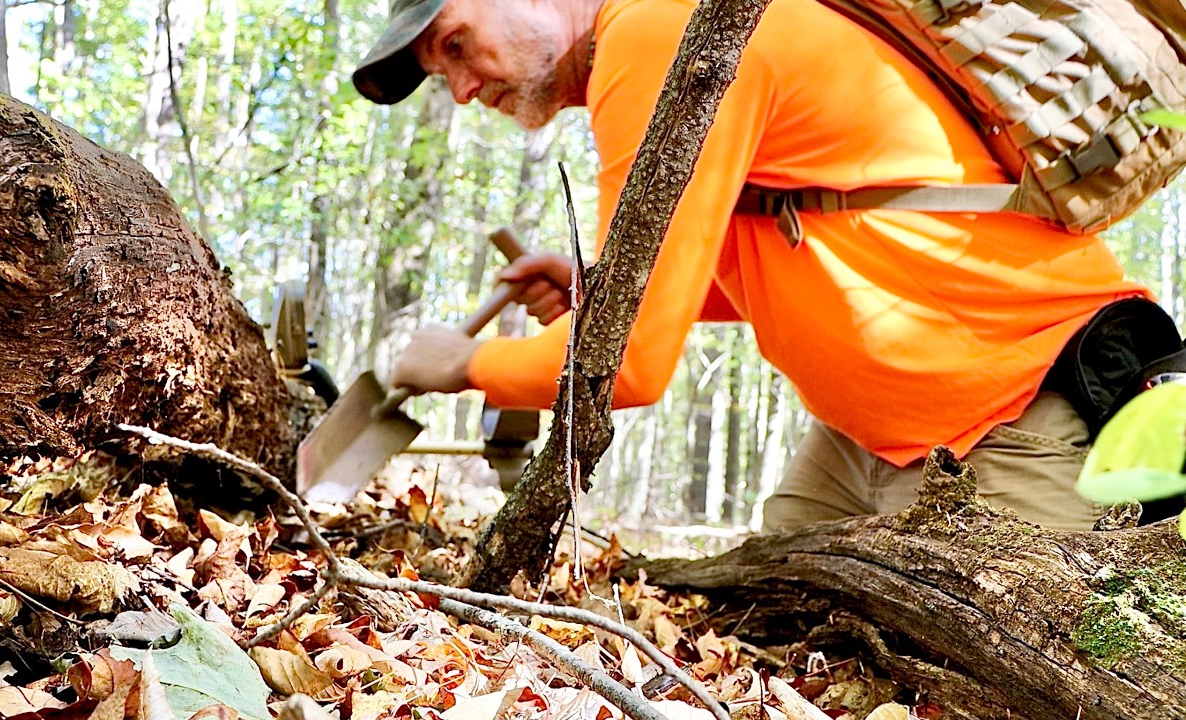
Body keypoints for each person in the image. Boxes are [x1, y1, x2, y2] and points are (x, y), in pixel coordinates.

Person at [350, 0, 1168, 531]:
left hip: (1022, 411)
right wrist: (600, 285)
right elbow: (812, 241)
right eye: (438, 72)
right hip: (866, 442)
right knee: (762, 643)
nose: (458, 89)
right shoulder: (665, 37)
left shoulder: (656, 35)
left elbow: (629, 367)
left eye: (456, 45)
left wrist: (464, 365)